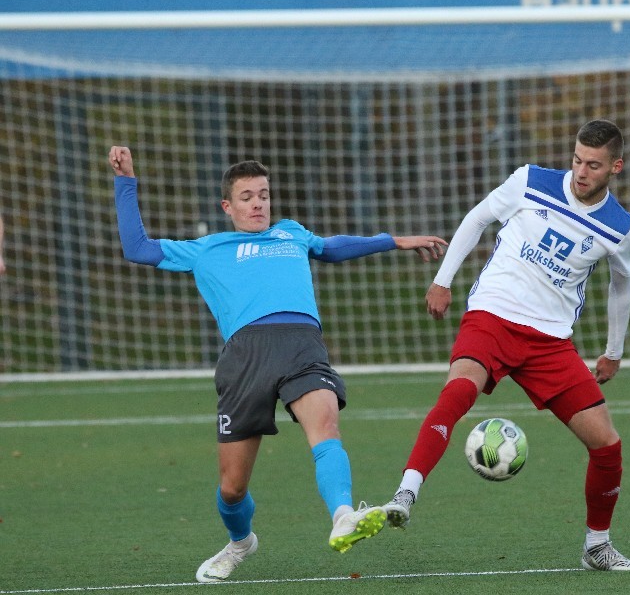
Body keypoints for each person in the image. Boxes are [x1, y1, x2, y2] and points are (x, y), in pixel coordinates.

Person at [107, 146, 447, 582]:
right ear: (227, 206)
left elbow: (333, 247)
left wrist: (394, 240)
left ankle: (343, 514)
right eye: (247, 196)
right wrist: (126, 181)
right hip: (245, 357)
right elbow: (137, 248)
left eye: (264, 194)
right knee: (232, 488)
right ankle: (240, 542)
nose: (258, 203)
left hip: (301, 344)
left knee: (325, 426)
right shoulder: (206, 249)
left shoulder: (291, 233)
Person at [382, 120, 630, 571]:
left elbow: (622, 286)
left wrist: (612, 351)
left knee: (607, 446)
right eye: (578, 159)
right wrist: (443, 280)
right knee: (458, 391)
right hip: (493, 315)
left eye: (594, 165)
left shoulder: (620, 228)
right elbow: (477, 217)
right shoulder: (531, 181)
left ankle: (597, 546)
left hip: (550, 343)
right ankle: (406, 492)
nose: (581, 171)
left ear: (615, 167)